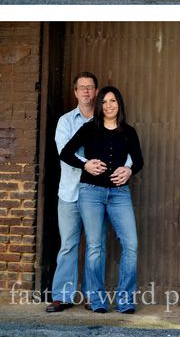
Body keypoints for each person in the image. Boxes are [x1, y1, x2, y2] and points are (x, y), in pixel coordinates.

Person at [60, 86, 144, 313]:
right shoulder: (89, 129)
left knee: (131, 244)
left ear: (120, 104)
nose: (109, 105)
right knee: (95, 246)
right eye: (105, 101)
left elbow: (138, 161)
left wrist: (129, 171)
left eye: (113, 101)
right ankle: (97, 301)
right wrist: (85, 164)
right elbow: (65, 153)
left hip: (119, 194)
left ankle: (125, 300)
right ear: (99, 106)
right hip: (91, 192)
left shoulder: (129, 132)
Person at [46, 71, 104, 312]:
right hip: (69, 192)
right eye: (82, 87)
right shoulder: (65, 121)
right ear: (75, 92)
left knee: (95, 244)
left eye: (90, 87)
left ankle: (92, 297)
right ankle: (62, 295)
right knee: (68, 244)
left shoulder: (104, 122)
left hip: (96, 192)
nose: (86, 91)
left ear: (96, 91)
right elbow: (64, 152)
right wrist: (86, 163)